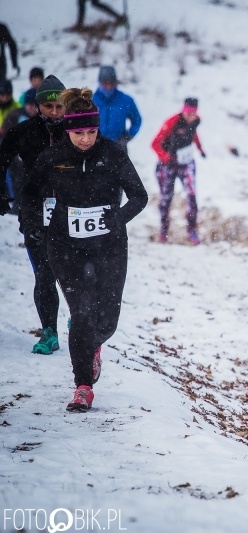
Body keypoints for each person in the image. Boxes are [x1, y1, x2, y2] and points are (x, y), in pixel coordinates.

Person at [18, 87, 147, 412]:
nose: (86, 139)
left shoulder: (113, 154)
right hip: (66, 247)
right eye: (79, 133)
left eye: (91, 132)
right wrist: (36, 226)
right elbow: (30, 194)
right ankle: (83, 387)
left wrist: (117, 217)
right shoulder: (54, 157)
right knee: (81, 315)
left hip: (109, 247)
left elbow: (139, 196)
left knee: (106, 320)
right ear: (69, 130)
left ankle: (93, 346)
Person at [0, 75, 67, 354]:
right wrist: (3, 195)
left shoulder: (76, 131)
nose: (54, 113)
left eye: (59, 107)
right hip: (33, 207)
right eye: (48, 107)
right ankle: (49, 331)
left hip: (70, 208)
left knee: (74, 273)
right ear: (38, 106)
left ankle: (80, 323)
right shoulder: (23, 132)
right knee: (43, 272)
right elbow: (1, 160)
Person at [151, 97, 206, 245]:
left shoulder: (195, 122)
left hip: (186, 162)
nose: (190, 116)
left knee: (191, 194)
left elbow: (193, 135)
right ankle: (163, 228)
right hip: (167, 163)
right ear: (183, 110)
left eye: (193, 113)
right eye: (187, 112)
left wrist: (200, 149)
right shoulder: (172, 122)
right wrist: (165, 157)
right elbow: (154, 143)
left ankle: (192, 229)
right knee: (166, 197)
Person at [1, 87, 38, 215]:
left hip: (35, 158)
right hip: (15, 158)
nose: (31, 109)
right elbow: (5, 136)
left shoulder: (42, 119)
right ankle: (18, 204)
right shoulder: (14, 116)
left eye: (34, 105)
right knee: (17, 181)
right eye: (29, 105)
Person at [92, 65, 142, 151]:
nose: (108, 87)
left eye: (111, 84)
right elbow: (81, 123)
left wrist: (128, 136)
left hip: (118, 148)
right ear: (100, 83)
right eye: (105, 84)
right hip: (95, 148)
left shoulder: (125, 100)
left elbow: (137, 120)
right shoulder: (91, 100)